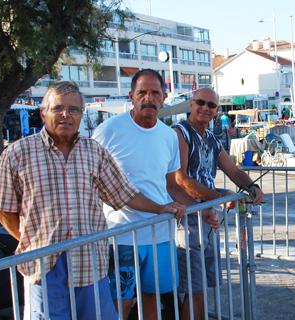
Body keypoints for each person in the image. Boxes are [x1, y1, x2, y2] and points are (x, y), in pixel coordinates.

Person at [0, 81, 185, 320]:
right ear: (43, 113)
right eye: (58, 108)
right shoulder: (18, 153)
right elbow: (2, 209)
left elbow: (124, 193)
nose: (66, 115)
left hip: (89, 263)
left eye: (74, 109)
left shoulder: (93, 151)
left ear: (81, 115)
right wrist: (31, 242)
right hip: (44, 267)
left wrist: (161, 208)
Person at [92, 69, 218, 319]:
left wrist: (201, 209)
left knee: (153, 297)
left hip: (160, 234)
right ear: (131, 96)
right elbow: (93, 181)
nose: (148, 98)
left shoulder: (168, 136)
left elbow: (172, 186)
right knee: (121, 302)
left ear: (164, 97)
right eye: (142, 92)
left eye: (154, 93)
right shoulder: (108, 131)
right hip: (122, 235)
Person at [173, 87, 264, 320]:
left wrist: (251, 187)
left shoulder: (211, 138)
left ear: (216, 111)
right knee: (194, 289)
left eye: (211, 105)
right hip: (188, 218)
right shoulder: (180, 133)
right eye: (200, 102)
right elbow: (180, 179)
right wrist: (220, 199)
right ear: (191, 105)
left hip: (207, 216)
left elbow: (232, 169)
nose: (205, 108)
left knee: (203, 287)